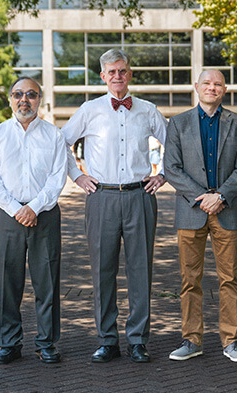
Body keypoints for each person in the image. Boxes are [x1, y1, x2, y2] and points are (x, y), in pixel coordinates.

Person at [61, 49, 167, 363]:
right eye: (111, 72)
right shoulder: (89, 109)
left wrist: (162, 174)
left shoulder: (147, 110)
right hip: (101, 198)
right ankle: (108, 339)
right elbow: (62, 142)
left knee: (140, 270)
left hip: (140, 196)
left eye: (122, 71)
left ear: (129, 74)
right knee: (102, 271)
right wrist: (77, 176)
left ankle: (137, 340)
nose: (117, 76)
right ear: (103, 76)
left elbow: (173, 142)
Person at [164, 69, 237, 363]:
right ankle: (191, 340)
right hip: (192, 210)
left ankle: (231, 341)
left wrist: (221, 196)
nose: (211, 88)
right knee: (189, 279)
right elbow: (172, 168)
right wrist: (201, 197)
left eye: (217, 84)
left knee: (229, 279)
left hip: (226, 209)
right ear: (196, 87)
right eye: (207, 83)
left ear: (224, 90)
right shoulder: (177, 124)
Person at [0, 77, 68, 364]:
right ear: (10, 99)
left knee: (48, 282)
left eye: (31, 95)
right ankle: (8, 342)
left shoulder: (54, 136)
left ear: (39, 100)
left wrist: (33, 207)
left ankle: (46, 343)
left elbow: (57, 178)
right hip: (8, 217)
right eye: (18, 94)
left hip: (44, 215)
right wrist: (16, 209)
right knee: (6, 281)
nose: (24, 100)